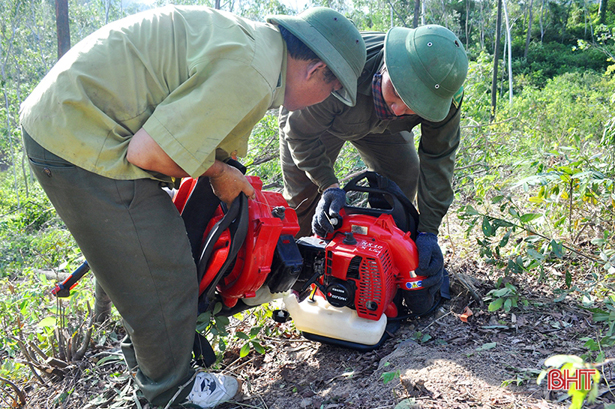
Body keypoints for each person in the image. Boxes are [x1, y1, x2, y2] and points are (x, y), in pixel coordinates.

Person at [20, 5, 366, 409]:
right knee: (162, 268)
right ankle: (171, 394)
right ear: (314, 70)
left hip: (77, 116)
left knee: (154, 254)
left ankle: (150, 364)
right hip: (78, 132)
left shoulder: (258, 51)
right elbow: (151, 153)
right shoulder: (252, 72)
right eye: (332, 89)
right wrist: (218, 173)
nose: (327, 101)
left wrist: (222, 169)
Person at [279, 25, 468, 310]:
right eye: (398, 91)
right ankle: (296, 281)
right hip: (322, 116)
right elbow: (300, 135)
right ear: (387, 66)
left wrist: (429, 231)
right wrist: (329, 185)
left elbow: (438, 160)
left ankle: (381, 266)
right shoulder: (338, 68)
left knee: (404, 176)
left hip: (385, 131)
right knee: (303, 203)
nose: (400, 108)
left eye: (416, 105)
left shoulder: (442, 99)